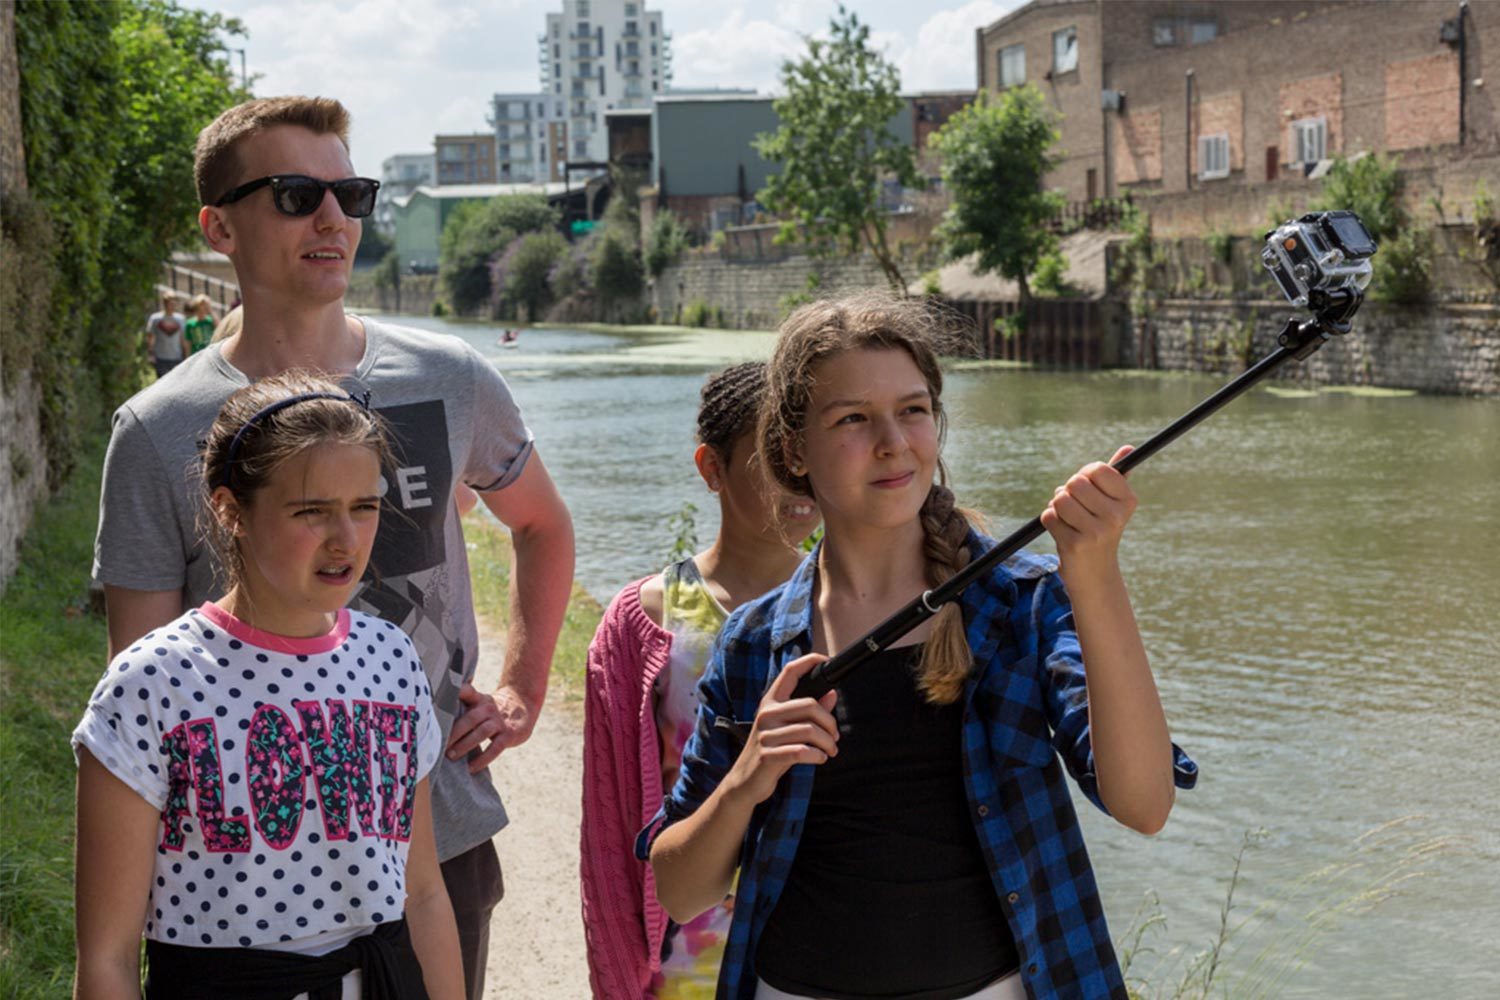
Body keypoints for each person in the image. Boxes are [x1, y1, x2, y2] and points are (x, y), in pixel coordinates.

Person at [92, 96, 575, 1000]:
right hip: (245, 878)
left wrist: (522, 690)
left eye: (351, 195)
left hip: (438, 838)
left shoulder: (450, 376)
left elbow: (542, 524)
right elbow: (141, 681)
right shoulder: (157, 429)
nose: (332, 218)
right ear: (218, 228)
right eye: (294, 195)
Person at [643, 294, 1198, 1000]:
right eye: (853, 418)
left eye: (912, 410)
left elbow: (1144, 805)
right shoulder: (752, 643)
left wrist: (1094, 575)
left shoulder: (1021, 603)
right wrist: (746, 779)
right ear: (792, 449)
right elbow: (680, 891)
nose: (893, 442)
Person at [73, 371, 465, 999]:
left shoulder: (392, 658)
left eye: (364, 507)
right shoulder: (152, 684)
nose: (346, 540)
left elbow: (422, 893)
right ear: (231, 511)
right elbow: (106, 959)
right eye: (312, 511)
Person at [581, 362, 821, 999]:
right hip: (688, 966)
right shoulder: (646, 620)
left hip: (830, 955)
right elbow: (609, 833)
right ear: (712, 468)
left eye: (810, 450)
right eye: (774, 457)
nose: (799, 477)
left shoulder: (857, 603)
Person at [146, 292, 187, 378]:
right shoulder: (155, 318)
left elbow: (183, 338)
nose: (173, 306)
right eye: (170, 304)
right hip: (160, 357)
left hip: (177, 356)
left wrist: (185, 355)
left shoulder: (181, 319)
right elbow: (150, 337)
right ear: (165, 303)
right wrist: (150, 354)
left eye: (174, 303)